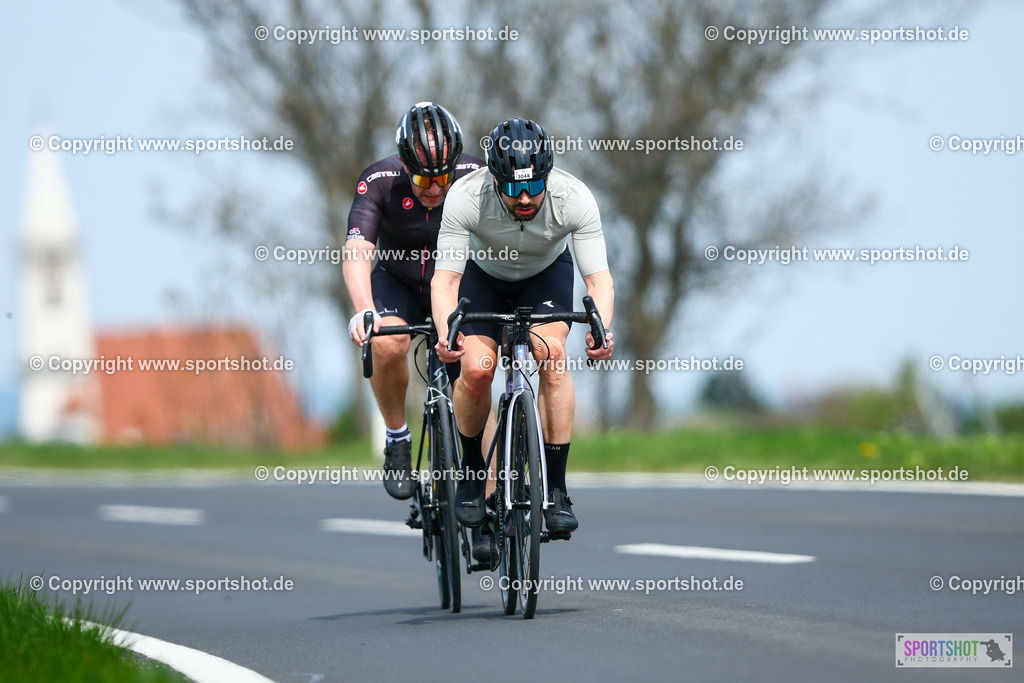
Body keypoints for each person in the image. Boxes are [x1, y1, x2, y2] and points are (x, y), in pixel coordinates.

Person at [431, 117, 615, 536]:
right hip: (483, 277)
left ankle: (558, 490)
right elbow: (445, 280)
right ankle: (475, 475)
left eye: (534, 186)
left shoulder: (574, 198)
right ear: (495, 181)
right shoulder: (465, 197)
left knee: (551, 356)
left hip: (544, 275)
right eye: (514, 189)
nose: (526, 198)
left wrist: (602, 328)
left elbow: (598, 280)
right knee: (476, 368)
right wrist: (447, 332)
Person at [344, 102, 483, 502]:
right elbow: (357, 249)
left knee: (477, 370)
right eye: (424, 178)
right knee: (387, 342)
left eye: (443, 177)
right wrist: (364, 307)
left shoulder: (475, 179)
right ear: (405, 165)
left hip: (457, 284)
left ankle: (486, 492)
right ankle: (397, 438)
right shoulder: (379, 180)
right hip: (398, 282)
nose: (436, 189)